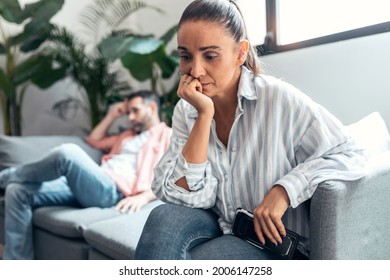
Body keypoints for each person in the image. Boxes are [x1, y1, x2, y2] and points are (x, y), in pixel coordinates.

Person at [133, 0, 366, 260]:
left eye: (210, 56)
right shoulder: (187, 110)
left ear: (241, 52)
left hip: (274, 244)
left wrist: (285, 190)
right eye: (186, 56)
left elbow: (350, 153)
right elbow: (181, 196)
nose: (195, 71)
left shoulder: (278, 99)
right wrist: (203, 115)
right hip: (224, 224)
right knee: (162, 217)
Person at [0, 90, 172, 260]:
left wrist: (143, 197)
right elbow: (93, 140)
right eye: (128, 113)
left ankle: (4, 176)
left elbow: (175, 177)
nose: (131, 118)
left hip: (112, 191)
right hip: (90, 183)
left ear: (151, 107)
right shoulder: (127, 135)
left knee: (67, 152)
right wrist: (112, 115)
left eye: (135, 111)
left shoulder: (168, 135)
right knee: (17, 190)